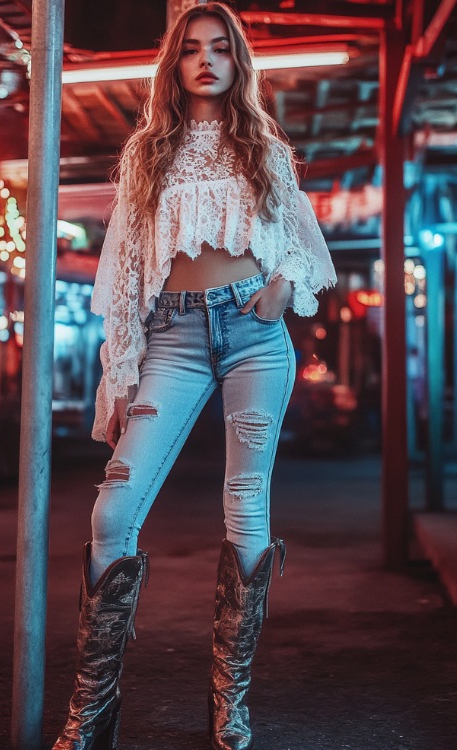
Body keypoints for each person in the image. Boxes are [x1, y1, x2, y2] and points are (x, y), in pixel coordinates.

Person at [53, 3, 336, 749]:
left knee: (245, 509)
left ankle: (229, 707)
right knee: (112, 514)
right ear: (173, 64)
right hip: (172, 337)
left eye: (220, 49)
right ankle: (93, 710)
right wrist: (119, 378)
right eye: (191, 50)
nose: (206, 60)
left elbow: (309, 249)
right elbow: (120, 276)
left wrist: (280, 286)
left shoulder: (263, 148)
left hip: (253, 338)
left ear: (239, 63)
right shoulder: (148, 151)